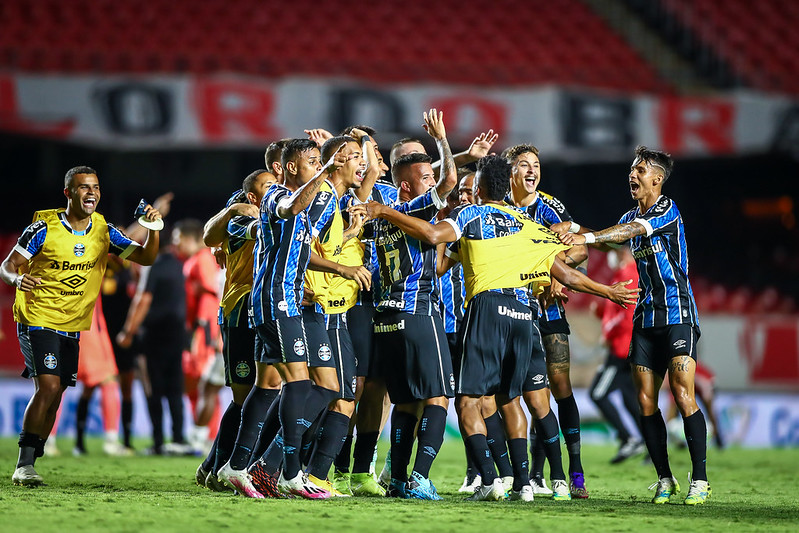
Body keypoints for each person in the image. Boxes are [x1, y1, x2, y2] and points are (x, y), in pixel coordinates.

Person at [363, 154, 638, 502]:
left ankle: (490, 479)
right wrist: (607, 290)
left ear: (477, 189)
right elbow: (567, 272)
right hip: (524, 316)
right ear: (506, 188)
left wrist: (384, 212)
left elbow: (432, 237)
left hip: (488, 310)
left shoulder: (470, 215)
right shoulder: (525, 223)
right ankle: (523, 483)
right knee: (511, 400)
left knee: (467, 402)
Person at [558, 145, 709, 505]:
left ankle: (700, 480)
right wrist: (578, 229)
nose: (633, 174)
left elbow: (627, 232)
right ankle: (665, 479)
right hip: (645, 317)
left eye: (640, 170)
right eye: (632, 169)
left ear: (657, 179)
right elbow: (613, 241)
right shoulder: (629, 215)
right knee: (644, 401)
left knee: (683, 393)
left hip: (677, 315)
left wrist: (586, 237)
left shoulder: (666, 209)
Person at [3, 165, 161, 486]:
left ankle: (36, 450)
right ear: (68, 193)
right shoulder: (43, 229)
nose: (92, 193)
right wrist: (17, 279)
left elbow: (146, 258)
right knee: (48, 387)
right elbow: (8, 265)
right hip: (38, 317)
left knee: (57, 393)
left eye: (96, 187)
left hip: (73, 324)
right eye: (84, 187)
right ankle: (24, 464)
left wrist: (154, 228)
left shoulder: (104, 231)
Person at [227, 138, 348, 499]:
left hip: (285, 301)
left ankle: (236, 466)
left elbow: (299, 248)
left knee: (268, 386)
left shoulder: (304, 209)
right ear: (292, 167)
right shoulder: (276, 195)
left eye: (319, 162)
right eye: (313, 162)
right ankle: (289, 474)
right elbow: (292, 206)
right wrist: (328, 171)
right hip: (275, 301)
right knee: (298, 384)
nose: (318, 167)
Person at [364, 109, 459, 500]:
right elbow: (451, 180)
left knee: (404, 402)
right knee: (437, 397)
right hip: (417, 311)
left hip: (385, 317)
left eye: (431, 178)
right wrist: (442, 139)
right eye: (425, 178)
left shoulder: (378, 220)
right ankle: (420, 477)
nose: (433, 183)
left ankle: (399, 479)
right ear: (405, 187)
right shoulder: (411, 209)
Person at [502, 143, 590, 498]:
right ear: (510, 171)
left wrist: (558, 270)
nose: (532, 170)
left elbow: (580, 248)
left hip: (548, 312)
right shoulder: (498, 208)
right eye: (524, 164)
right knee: (517, 393)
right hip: (509, 311)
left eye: (536, 165)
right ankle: (527, 474)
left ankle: (576, 471)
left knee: (559, 387)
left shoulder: (550, 208)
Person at [196, 170, 280, 491]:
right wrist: (232, 212)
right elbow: (210, 235)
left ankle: (225, 466)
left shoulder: (292, 197)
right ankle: (219, 466)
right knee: (246, 398)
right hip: (241, 308)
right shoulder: (243, 207)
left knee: (272, 393)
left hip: (274, 307)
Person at [117, 225, 187, 456]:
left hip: (154, 335)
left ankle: (158, 441)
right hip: (177, 334)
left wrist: (128, 331)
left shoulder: (153, 267)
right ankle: (178, 439)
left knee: (153, 389)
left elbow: (143, 300)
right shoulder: (179, 265)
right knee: (175, 389)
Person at [588, 245, 645, 464]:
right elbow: (617, 311)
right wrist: (601, 312)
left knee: (598, 393)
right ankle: (650, 445)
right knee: (630, 398)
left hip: (622, 349)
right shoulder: (625, 274)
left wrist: (607, 331)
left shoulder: (628, 275)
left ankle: (628, 438)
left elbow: (628, 315)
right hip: (627, 346)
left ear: (622, 254)